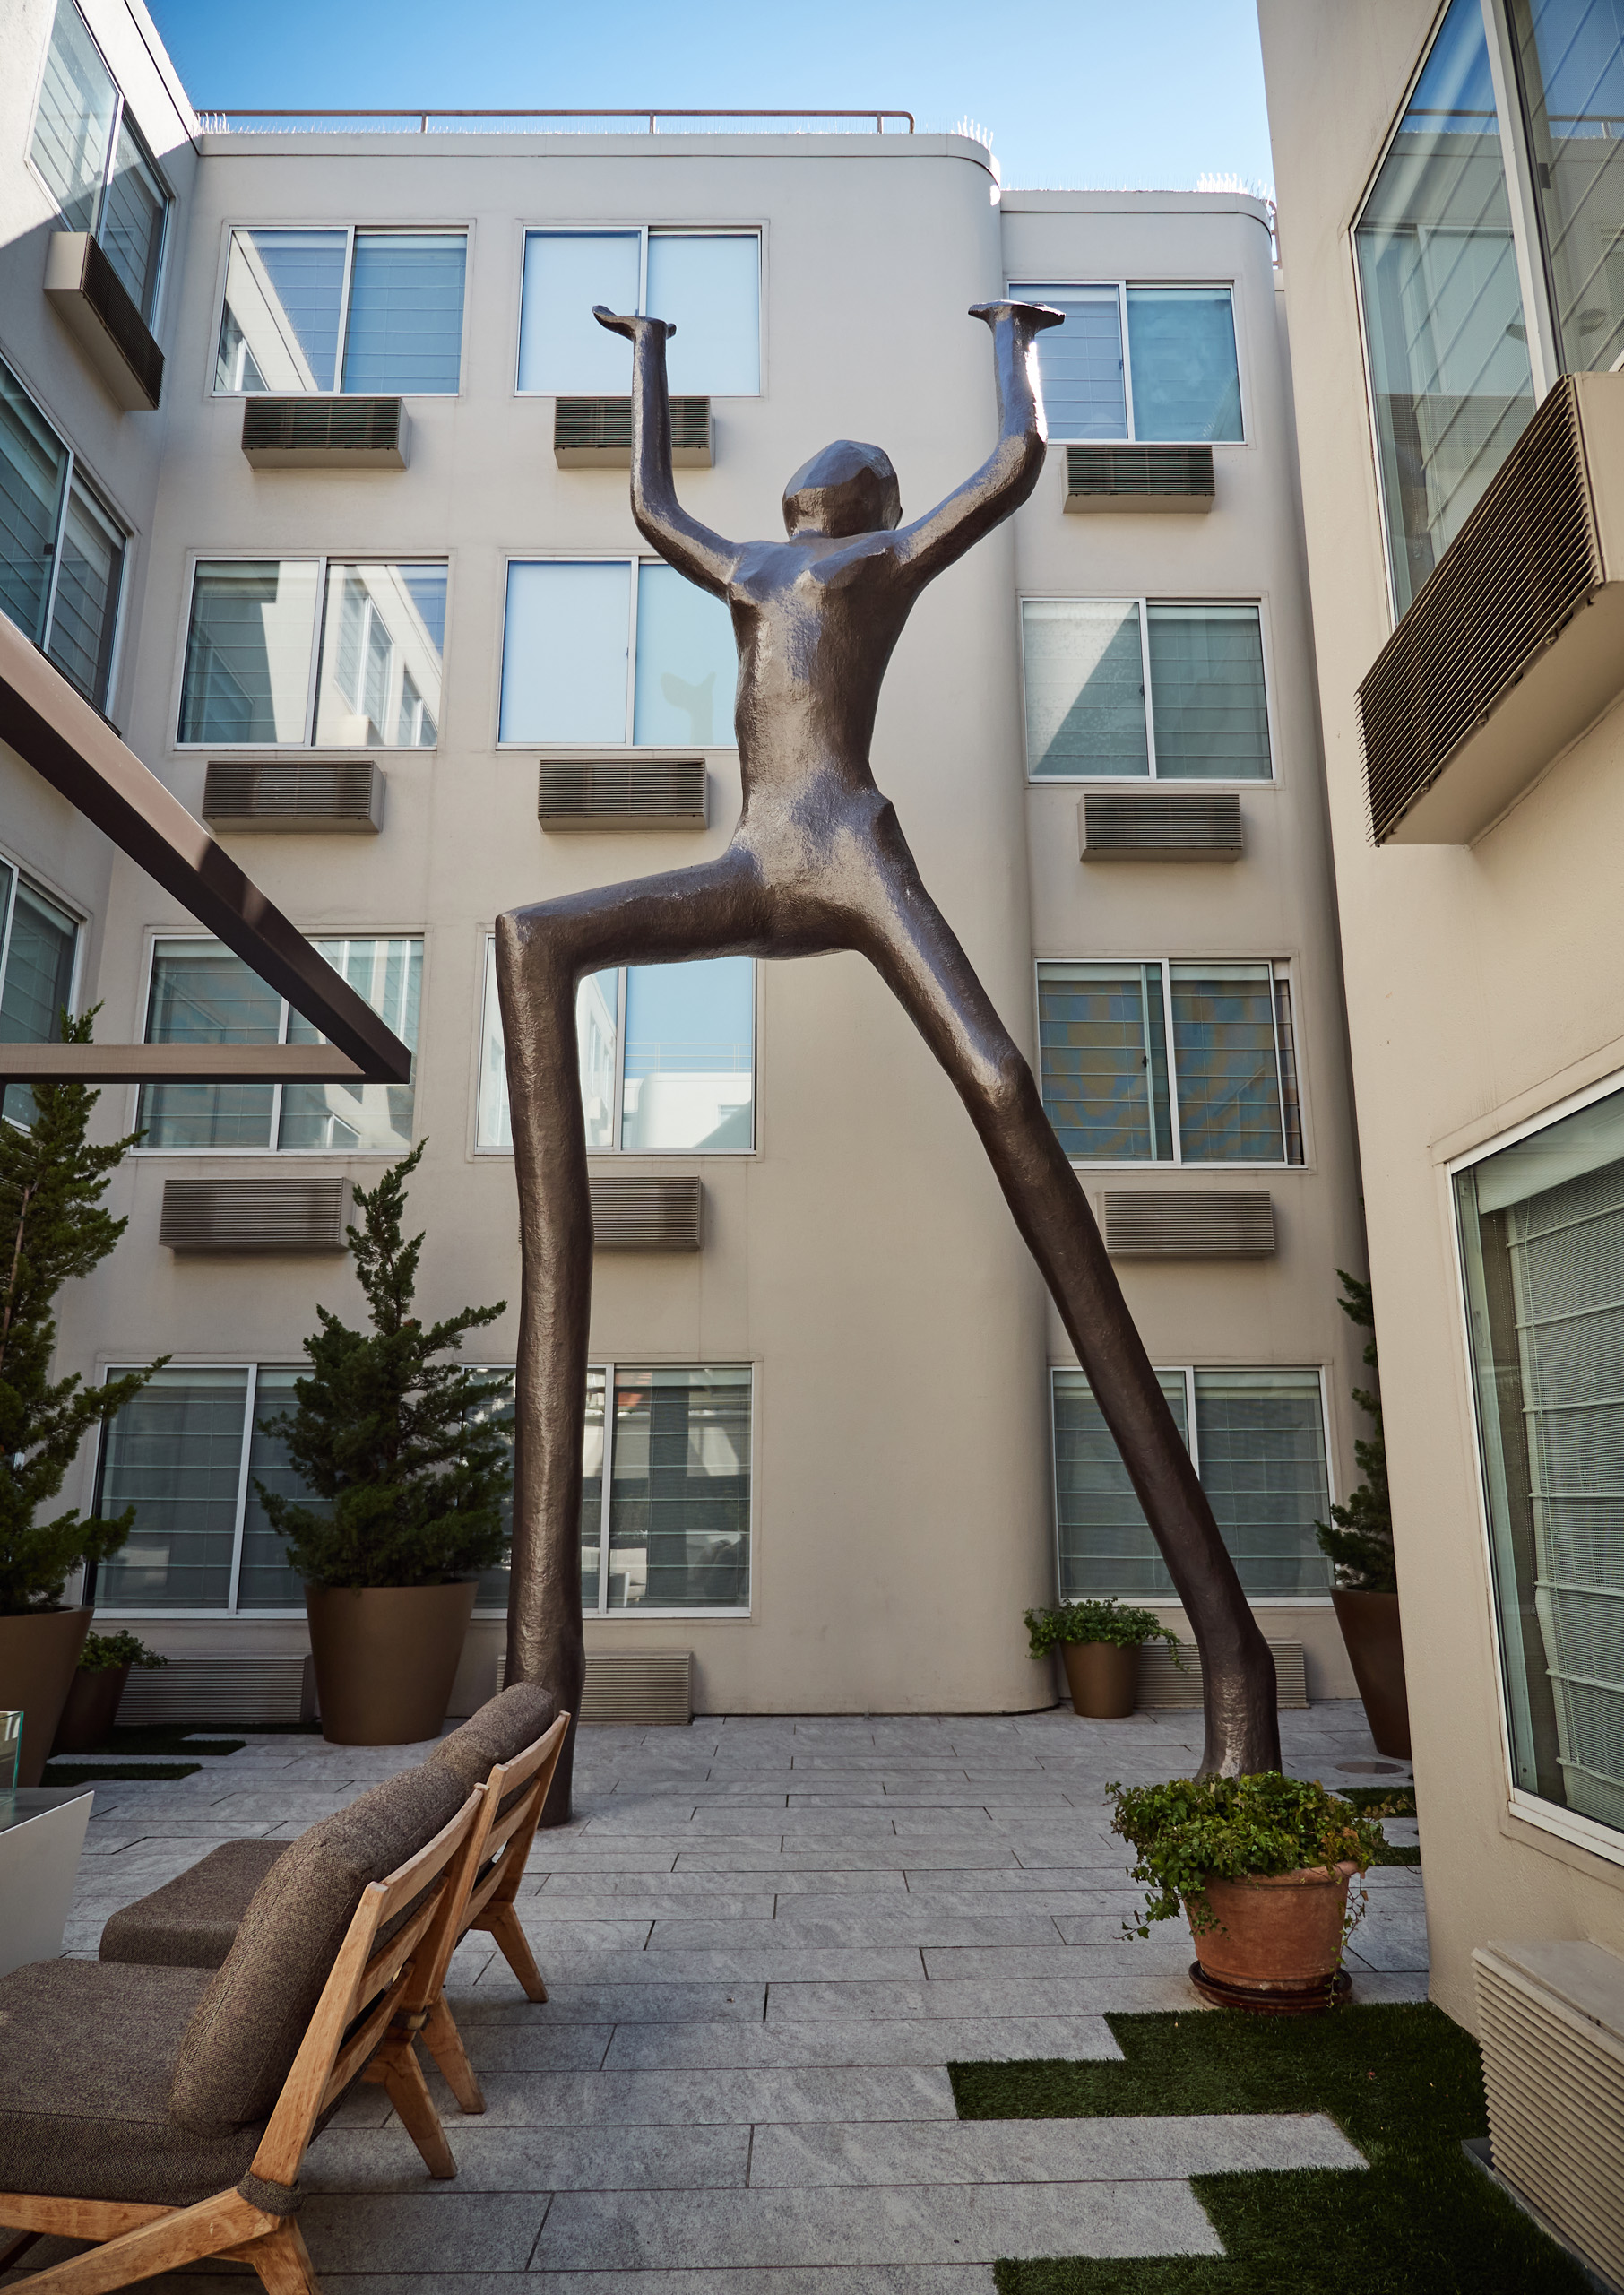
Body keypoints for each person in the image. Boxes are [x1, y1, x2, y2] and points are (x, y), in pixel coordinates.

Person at [498, 299, 1279, 1817]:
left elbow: (1011, 467)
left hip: (850, 851)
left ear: (852, 504)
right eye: (832, 478)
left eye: (845, 478)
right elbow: (651, 502)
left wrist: (1016, 339)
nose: (831, 482)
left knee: (999, 1083)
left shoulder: (877, 564)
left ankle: (1235, 1671)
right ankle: (539, 1714)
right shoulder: (753, 568)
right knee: (532, 936)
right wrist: (653, 352)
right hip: (753, 858)